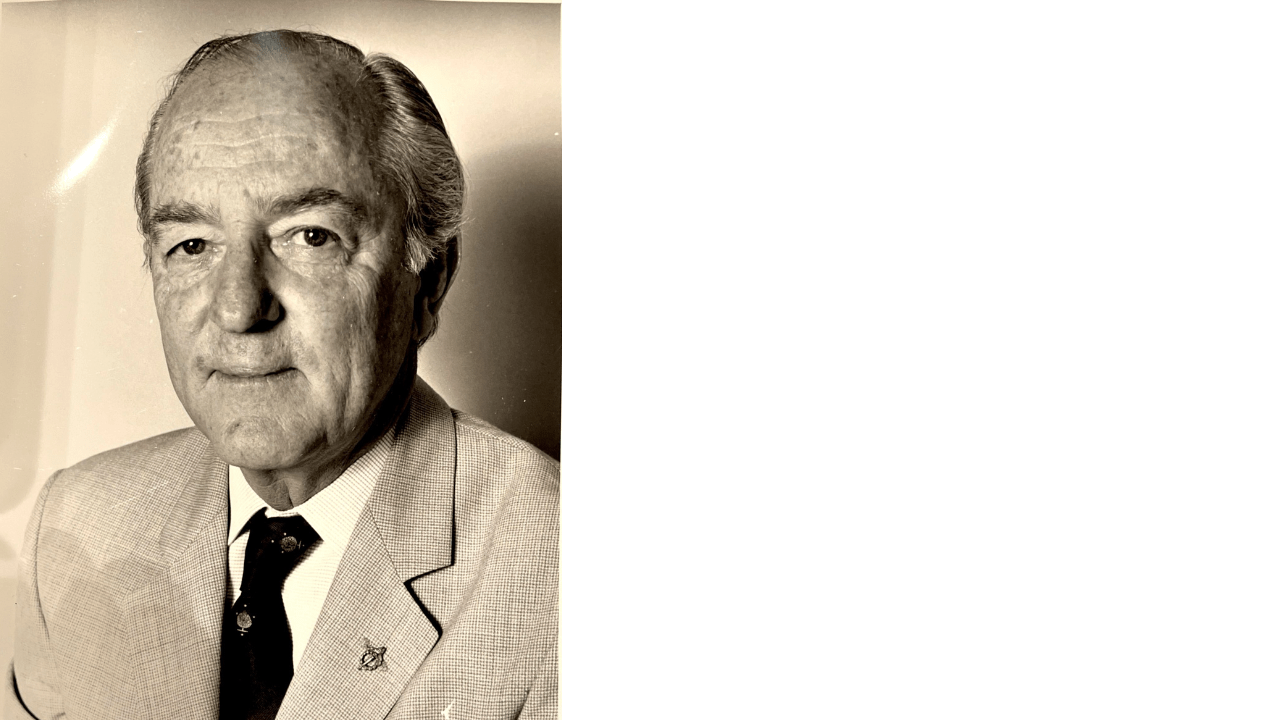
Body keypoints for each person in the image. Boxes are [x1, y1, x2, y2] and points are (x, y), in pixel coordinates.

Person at [3, 30, 559, 720]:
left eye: (311, 236)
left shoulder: (547, 578)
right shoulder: (75, 525)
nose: (239, 309)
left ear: (428, 281)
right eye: (192, 244)